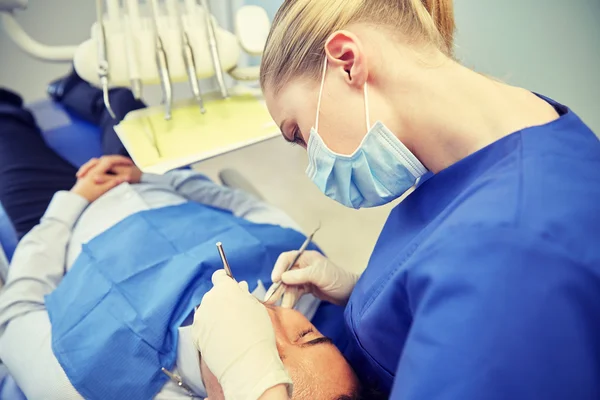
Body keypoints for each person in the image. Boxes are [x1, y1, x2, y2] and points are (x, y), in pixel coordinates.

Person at [190, 0, 600, 399]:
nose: (311, 163)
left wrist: (253, 380)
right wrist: (368, 296)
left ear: (347, 61)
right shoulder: (491, 145)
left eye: (299, 134)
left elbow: (486, 292)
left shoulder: (512, 250)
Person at [0, 83, 370, 400]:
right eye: (307, 336)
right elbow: (245, 205)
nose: (269, 321)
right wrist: (152, 177)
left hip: (61, 220)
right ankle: (76, 89)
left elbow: (15, 314)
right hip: (153, 184)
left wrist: (71, 204)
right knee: (124, 104)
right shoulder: (307, 284)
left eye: (267, 357)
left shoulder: (92, 384)